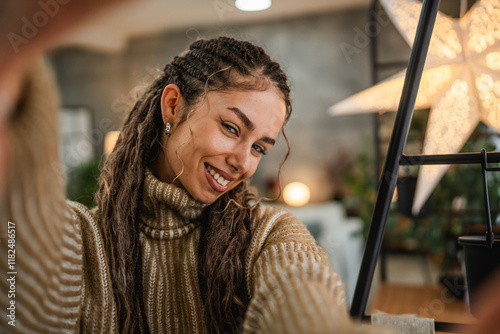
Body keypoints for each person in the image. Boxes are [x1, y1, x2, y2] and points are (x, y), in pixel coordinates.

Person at [1, 35, 399, 333]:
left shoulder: (268, 234)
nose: (243, 162)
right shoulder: (80, 238)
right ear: (173, 105)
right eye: (230, 127)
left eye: (260, 147)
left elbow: (303, 304)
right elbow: (20, 310)